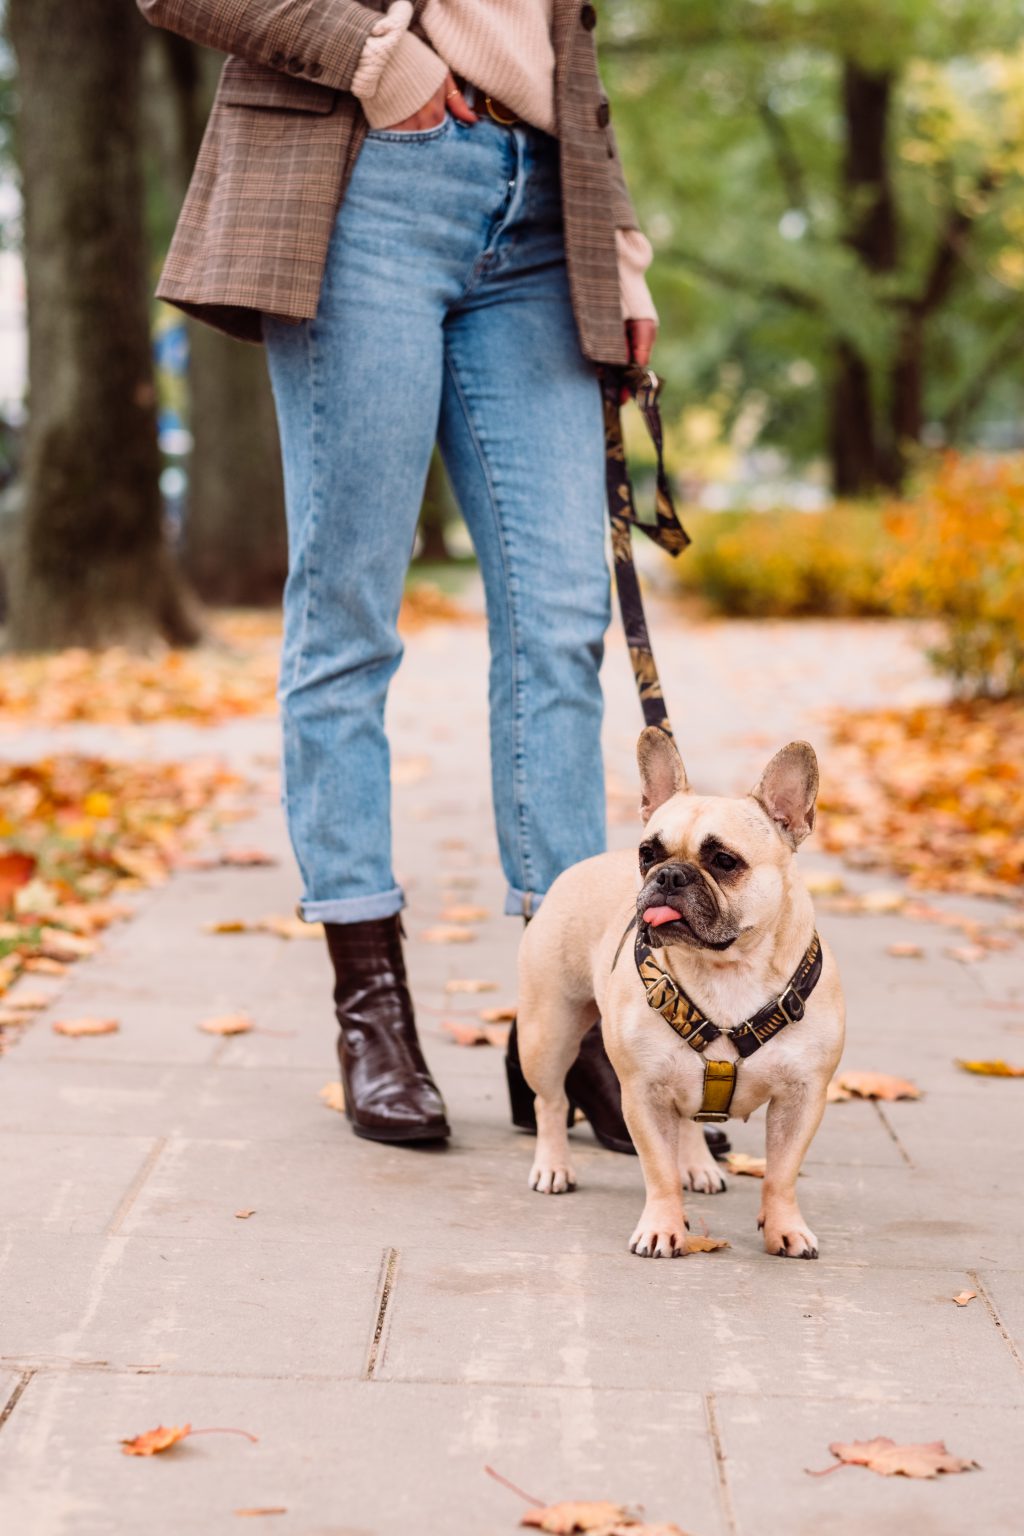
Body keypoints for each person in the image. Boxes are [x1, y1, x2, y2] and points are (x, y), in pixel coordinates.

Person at [139, 0, 726, 1161]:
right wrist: (374, 58)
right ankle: (371, 1006)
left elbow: (558, 39)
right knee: (349, 615)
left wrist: (614, 247)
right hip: (366, 174)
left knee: (562, 618)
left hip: (545, 208)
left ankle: (560, 1030)